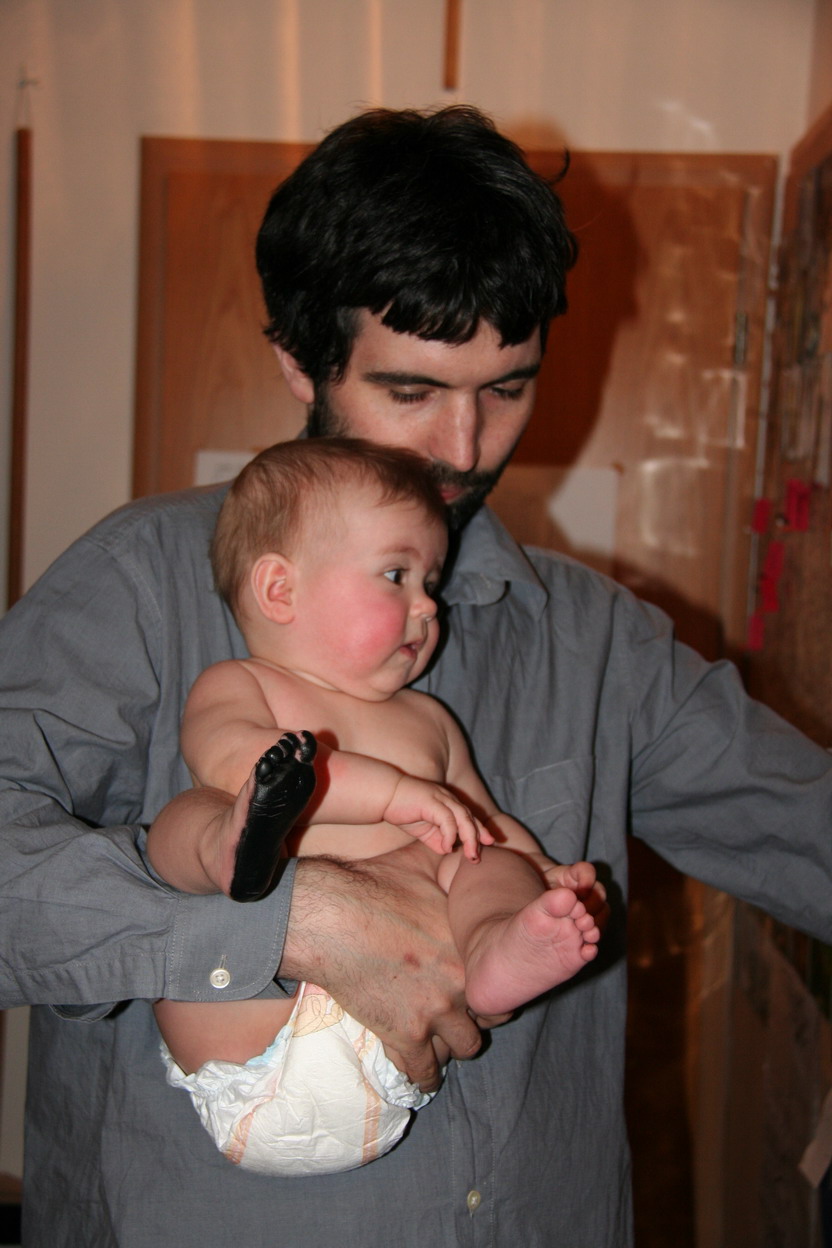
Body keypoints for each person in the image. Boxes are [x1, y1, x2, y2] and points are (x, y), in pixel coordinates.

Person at [0, 105, 829, 1247]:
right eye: (410, 391)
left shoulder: (596, 640)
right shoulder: (140, 583)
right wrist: (282, 923)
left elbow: (803, 827)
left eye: (507, 388)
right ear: (301, 361)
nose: (463, 448)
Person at [147, 437, 602, 1176]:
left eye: (432, 582)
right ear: (280, 591)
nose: (429, 606)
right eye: (397, 575)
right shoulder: (243, 685)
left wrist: (541, 873)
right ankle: (237, 850)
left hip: (386, 1044)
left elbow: (484, 822)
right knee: (187, 819)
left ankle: (495, 950)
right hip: (242, 1021)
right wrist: (393, 794)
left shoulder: (429, 722)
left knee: (478, 856)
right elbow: (232, 759)